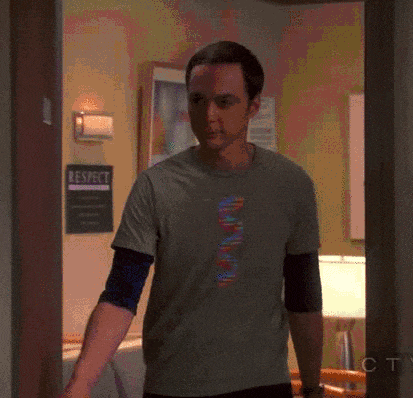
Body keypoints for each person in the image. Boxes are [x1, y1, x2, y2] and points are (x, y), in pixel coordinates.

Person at [61, 41, 324, 398]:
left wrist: (312, 386)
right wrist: (80, 383)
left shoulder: (291, 185)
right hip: (175, 386)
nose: (209, 114)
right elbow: (121, 296)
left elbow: (304, 297)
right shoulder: (157, 186)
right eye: (198, 101)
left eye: (225, 102)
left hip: (262, 384)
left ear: (253, 107)